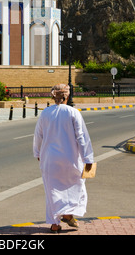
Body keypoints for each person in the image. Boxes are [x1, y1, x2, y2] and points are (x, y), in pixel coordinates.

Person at [33, 84, 94, 233]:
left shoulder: (45, 113)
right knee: (76, 186)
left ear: (53, 97)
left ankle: (56, 223)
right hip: (70, 158)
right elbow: (82, 137)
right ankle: (67, 214)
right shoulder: (73, 112)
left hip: (49, 159)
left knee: (52, 191)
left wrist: (37, 153)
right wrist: (88, 158)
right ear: (66, 97)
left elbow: (38, 135)